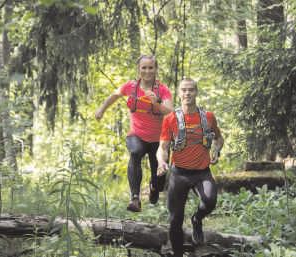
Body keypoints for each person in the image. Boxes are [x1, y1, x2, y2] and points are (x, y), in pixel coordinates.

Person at [95, 55, 173, 212]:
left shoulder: (162, 90)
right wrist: (101, 110)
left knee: (159, 179)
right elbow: (115, 95)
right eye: (144, 67)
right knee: (135, 152)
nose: (147, 71)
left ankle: (153, 187)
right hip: (136, 134)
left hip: (158, 141)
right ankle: (135, 198)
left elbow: (169, 111)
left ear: (156, 69)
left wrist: (155, 102)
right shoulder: (131, 87)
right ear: (139, 69)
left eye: (151, 67)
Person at [156, 78, 224, 257]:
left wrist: (216, 150)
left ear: (196, 92)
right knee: (175, 220)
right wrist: (162, 161)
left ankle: (197, 219)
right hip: (179, 174)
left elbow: (218, 138)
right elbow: (163, 147)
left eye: (191, 90)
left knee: (210, 201)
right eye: (184, 90)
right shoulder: (170, 119)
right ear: (179, 93)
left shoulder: (208, 117)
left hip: (202, 172)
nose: (187, 93)